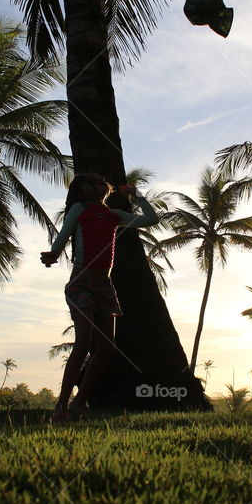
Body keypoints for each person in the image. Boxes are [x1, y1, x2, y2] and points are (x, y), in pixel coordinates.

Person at [41, 172, 159, 422]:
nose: (100, 183)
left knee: (106, 348)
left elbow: (151, 219)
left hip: (104, 285)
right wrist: (53, 254)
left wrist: (136, 195)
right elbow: (64, 235)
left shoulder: (114, 216)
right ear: (83, 190)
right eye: (93, 181)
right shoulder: (79, 210)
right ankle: (60, 406)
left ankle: (79, 402)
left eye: (100, 180)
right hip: (81, 282)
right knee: (83, 343)